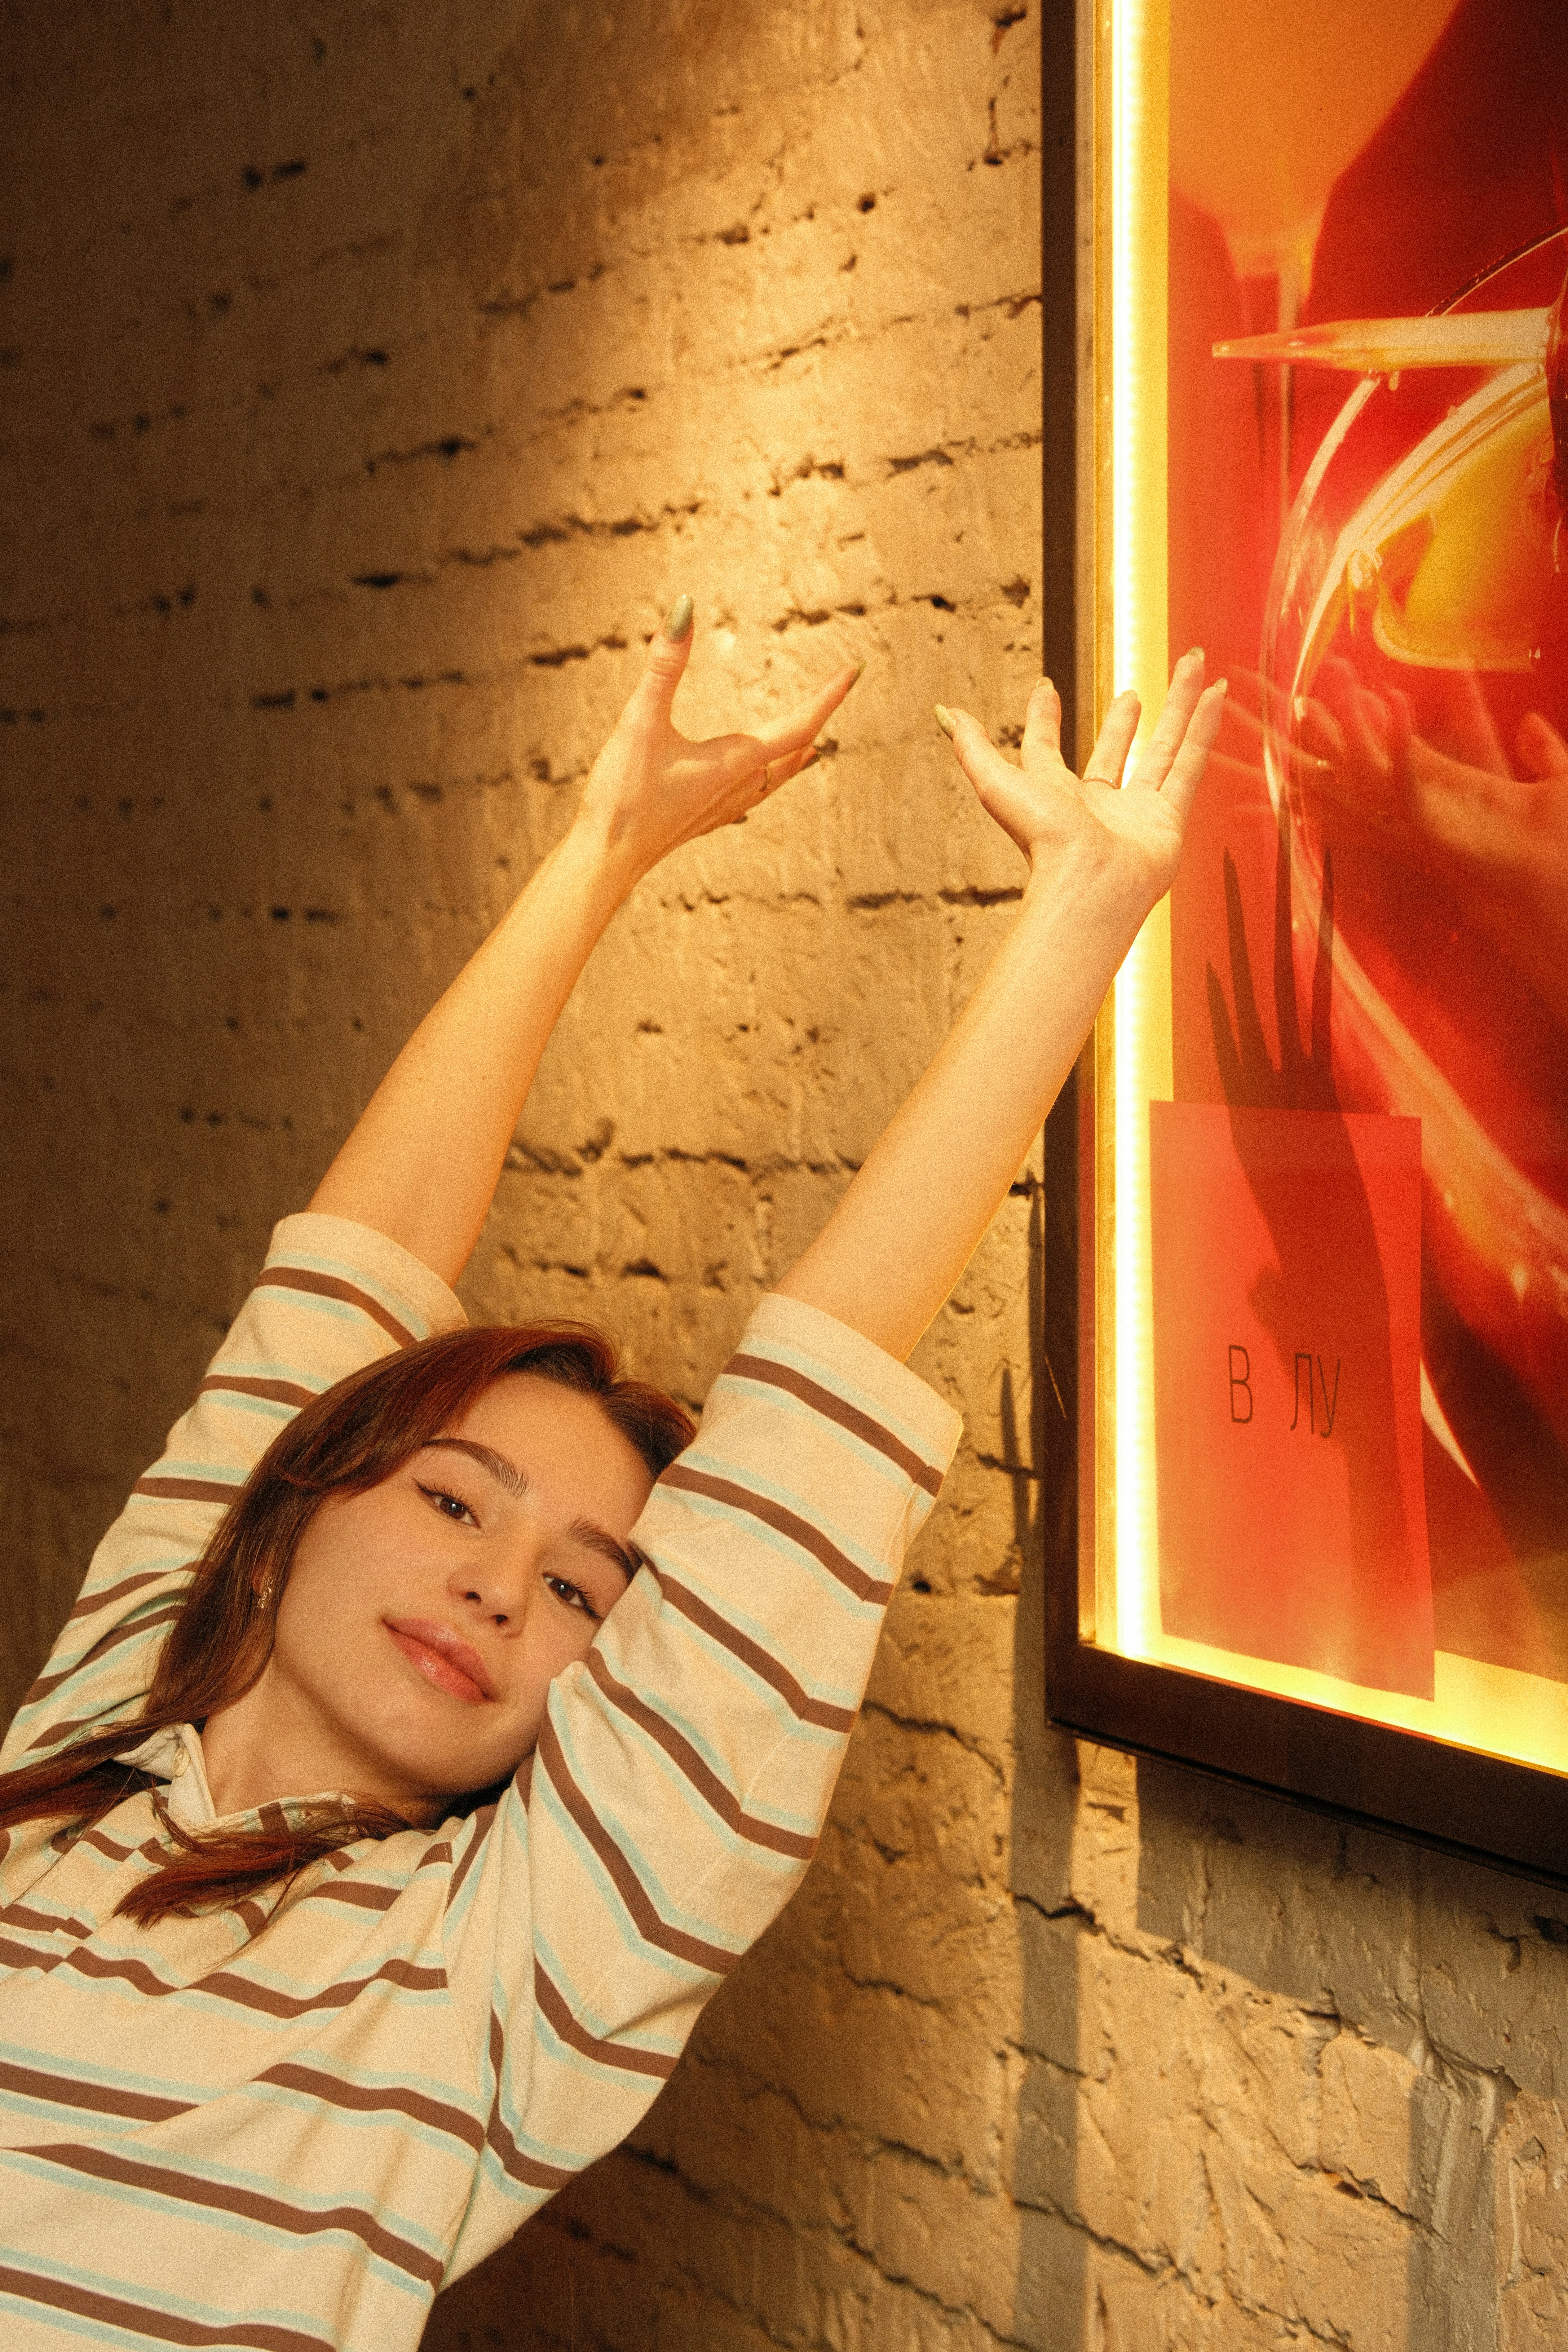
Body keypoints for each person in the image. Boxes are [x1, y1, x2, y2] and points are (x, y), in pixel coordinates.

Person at [0, 597, 1222, 2352]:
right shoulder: (84, 1753)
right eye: (450, 1496)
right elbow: (336, 1287)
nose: (504, 1580)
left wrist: (1077, 922)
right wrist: (602, 850)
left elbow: (795, 1465)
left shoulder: (500, 1965)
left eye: (580, 1587)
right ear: (276, 1528)